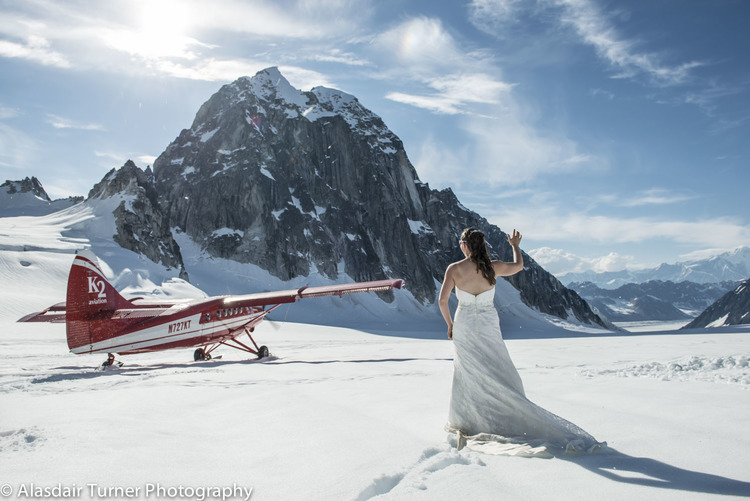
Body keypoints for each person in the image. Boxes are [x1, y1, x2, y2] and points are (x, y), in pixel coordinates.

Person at [439, 227, 605, 457]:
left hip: (464, 326)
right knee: (497, 365)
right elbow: (518, 266)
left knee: (467, 370)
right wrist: (515, 246)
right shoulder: (492, 267)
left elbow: (443, 300)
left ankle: (468, 419)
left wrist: (450, 325)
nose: (459, 245)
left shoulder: (455, 269)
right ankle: (504, 410)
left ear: (466, 245)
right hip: (488, 325)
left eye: (461, 242)